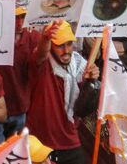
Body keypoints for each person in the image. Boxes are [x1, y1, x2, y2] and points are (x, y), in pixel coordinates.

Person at [26, 21, 99, 164]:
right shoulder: (43, 65)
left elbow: (82, 108)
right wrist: (46, 38)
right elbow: (41, 54)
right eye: (60, 45)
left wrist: (92, 81)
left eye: (69, 44)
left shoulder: (80, 66)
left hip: (70, 139)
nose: (66, 51)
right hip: (42, 144)